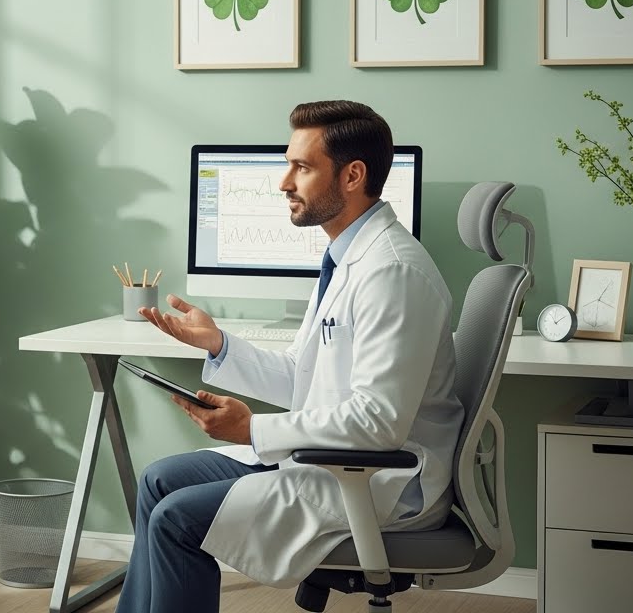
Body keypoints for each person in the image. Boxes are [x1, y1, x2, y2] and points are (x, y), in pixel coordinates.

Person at [117, 101, 463, 613]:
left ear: (352, 176)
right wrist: (218, 344)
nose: (284, 182)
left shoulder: (393, 273)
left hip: (378, 483)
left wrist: (253, 430)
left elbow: (379, 423)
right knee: (156, 481)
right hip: (335, 463)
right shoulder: (345, 258)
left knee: (177, 520)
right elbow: (302, 375)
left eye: (301, 167)